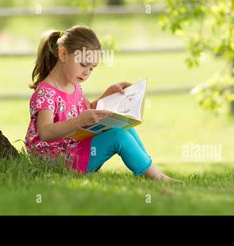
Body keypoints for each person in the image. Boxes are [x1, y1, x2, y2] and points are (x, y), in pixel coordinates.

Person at [25, 25, 171, 181]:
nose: (86, 73)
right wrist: (79, 121)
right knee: (117, 135)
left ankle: (150, 170)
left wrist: (108, 94)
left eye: (92, 68)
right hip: (56, 159)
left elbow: (88, 110)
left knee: (123, 127)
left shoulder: (73, 85)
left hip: (74, 147)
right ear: (63, 54)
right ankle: (156, 177)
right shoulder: (46, 93)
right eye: (83, 64)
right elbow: (46, 132)